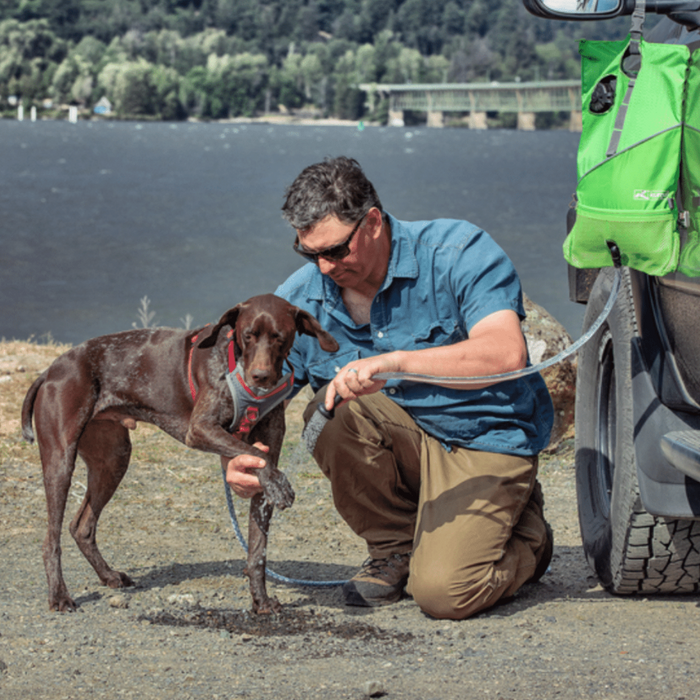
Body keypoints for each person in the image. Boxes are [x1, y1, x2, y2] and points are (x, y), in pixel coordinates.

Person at [226, 156, 554, 620]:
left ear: (374, 223)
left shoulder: (458, 250)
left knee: (443, 594)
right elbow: (260, 401)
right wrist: (242, 457)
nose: (324, 267)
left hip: (482, 441)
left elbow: (505, 353)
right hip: (405, 446)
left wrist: (398, 363)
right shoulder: (300, 300)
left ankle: (528, 539)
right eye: (309, 253)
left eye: (336, 251)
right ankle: (395, 547)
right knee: (331, 409)